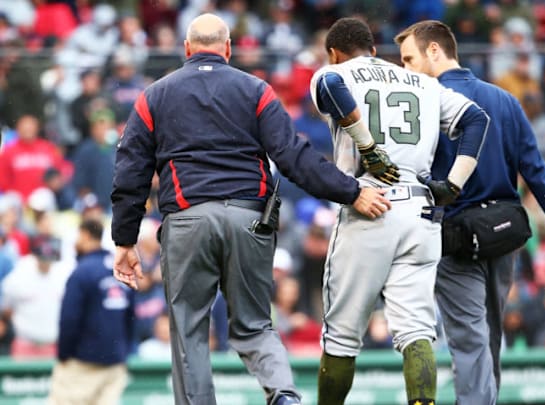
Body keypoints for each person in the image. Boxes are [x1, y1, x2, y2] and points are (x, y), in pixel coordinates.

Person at [110, 13, 391, 405]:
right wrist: (351, 192)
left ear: (187, 49)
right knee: (256, 325)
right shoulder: (256, 90)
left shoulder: (154, 95)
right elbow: (294, 157)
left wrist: (124, 239)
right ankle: (284, 395)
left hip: (187, 220)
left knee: (190, 330)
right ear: (228, 49)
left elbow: (130, 172)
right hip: (250, 219)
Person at [395, 20, 545, 404]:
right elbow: (536, 171)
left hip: (452, 237)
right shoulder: (504, 101)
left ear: (435, 51)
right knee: (488, 335)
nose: (404, 70)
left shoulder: (423, 104)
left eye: (409, 59)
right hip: (502, 232)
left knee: (469, 339)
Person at [310, 17, 491, 405]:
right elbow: (477, 119)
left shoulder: (337, 70)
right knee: (416, 331)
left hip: (368, 205)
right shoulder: (425, 83)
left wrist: (368, 147)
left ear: (334, 52)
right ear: (375, 50)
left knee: (342, 335)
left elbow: (330, 84)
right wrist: (454, 183)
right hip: (421, 211)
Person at [48, 219, 134, 405]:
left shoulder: (82, 272)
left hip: (82, 364)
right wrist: (123, 353)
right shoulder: (118, 268)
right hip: (114, 363)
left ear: (86, 235)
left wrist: (64, 355)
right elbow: (131, 317)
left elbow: (69, 319)